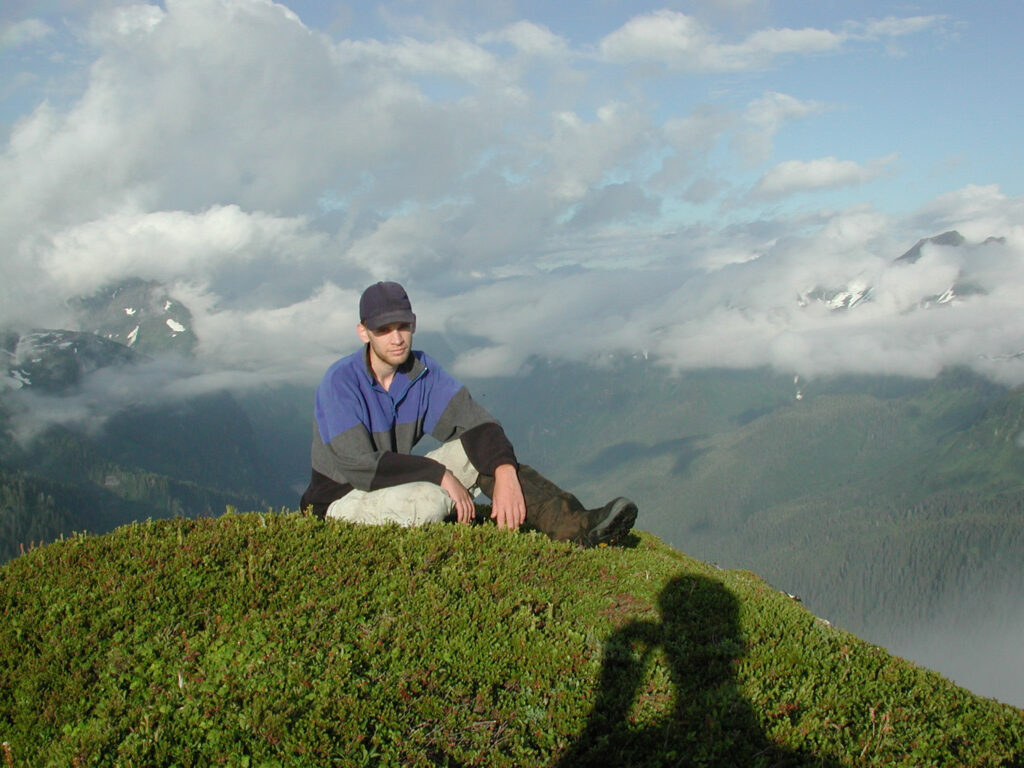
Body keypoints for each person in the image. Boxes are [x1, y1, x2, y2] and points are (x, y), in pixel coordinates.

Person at [300, 281, 637, 547]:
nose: (396, 338)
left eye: (402, 325)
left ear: (414, 323)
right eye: (383, 330)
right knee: (429, 501)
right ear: (364, 332)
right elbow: (359, 465)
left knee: (480, 452)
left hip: (391, 481)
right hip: (340, 499)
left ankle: (577, 526)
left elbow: (477, 422)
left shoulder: (421, 372)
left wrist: (503, 470)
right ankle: (452, 512)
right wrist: (439, 474)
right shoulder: (340, 382)